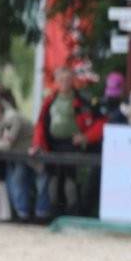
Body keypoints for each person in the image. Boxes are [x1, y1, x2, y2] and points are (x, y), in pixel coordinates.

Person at [31, 66, 105, 217]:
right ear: (56, 81)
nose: (64, 82)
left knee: (70, 183)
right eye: (61, 79)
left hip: (73, 146)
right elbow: (40, 125)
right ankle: (53, 215)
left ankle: (72, 213)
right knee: (53, 182)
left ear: (73, 80)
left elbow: (101, 122)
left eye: (68, 79)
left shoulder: (83, 100)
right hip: (53, 145)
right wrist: (37, 144)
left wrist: (86, 137)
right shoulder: (49, 101)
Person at [0, 93, 36, 221]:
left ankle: (23, 215)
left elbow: (7, 143)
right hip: (14, 156)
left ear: (0, 106)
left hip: (30, 156)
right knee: (12, 182)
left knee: (18, 181)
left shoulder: (11, 117)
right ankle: (16, 213)